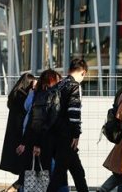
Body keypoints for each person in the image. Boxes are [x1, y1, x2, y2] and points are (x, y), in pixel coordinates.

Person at [17, 70, 63, 188]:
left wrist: (24, 142)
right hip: (45, 142)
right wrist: (38, 144)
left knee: (32, 177)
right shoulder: (52, 95)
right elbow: (47, 121)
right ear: (51, 81)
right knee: (45, 177)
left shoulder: (38, 95)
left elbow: (32, 120)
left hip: (35, 140)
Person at [49, 58, 89, 192]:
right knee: (60, 174)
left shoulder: (59, 85)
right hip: (67, 136)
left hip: (54, 134)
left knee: (77, 171)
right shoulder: (74, 86)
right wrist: (76, 134)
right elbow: (74, 111)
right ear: (83, 73)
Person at [0, 73, 36, 191]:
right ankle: (13, 189)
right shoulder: (24, 97)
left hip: (13, 138)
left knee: (24, 170)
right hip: (22, 138)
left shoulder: (14, 96)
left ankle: (14, 189)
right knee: (27, 169)